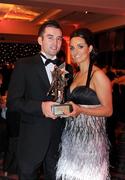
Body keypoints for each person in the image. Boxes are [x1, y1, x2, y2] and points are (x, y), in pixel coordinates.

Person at [7, 20, 71, 180]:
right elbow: (13, 102)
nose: (55, 42)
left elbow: (58, 98)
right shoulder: (24, 65)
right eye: (50, 37)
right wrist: (41, 107)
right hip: (31, 139)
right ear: (40, 40)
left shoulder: (63, 67)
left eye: (59, 38)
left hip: (56, 138)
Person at [56, 28, 113, 180]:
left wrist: (81, 109)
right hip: (70, 138)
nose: (75, 52)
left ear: (90, 48)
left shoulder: (98, 75)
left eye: (80, 46)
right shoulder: (74, 75)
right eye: (72, 47)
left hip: (91, 142)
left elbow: (108, 110)